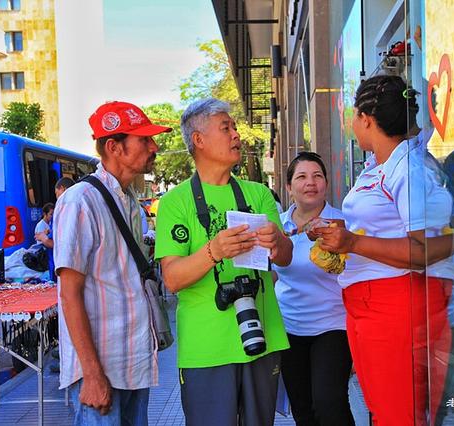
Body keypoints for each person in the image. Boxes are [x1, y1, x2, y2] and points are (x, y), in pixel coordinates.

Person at [311, 75, 454, 426]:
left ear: (366, 118)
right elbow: (389, 228)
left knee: (399, 414)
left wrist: (353, 242)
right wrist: (345, 235)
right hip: (368, 304)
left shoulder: (408, 168)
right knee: (382, 409)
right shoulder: (380, 166)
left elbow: (423, 249)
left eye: (353, 116)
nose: (351, 124)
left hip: (396, 302)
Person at [155, 98, 292, 426]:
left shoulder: (257, 194)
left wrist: (277, 240)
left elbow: (284, 258)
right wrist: (213, 251)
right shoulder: (175, 202)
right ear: (198, 140)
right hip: (205, 348)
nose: (236, 135)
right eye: (225, 127)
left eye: (235, 127)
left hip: (262, 337)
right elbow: (171, 279)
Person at [53, 101, 171, 424]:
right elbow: (69, 294)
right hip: (102, 369)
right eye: (144, 140)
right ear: (114, 147)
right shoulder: (80, 201)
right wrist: (91, 375)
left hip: (134, 364)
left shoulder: (131, 202)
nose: (154, 147)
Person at [273, 151, 354, 426]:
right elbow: (271, 276)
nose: (311, 182)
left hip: (333, 326)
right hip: (289, 328)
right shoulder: (277, 227)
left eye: (317, 176)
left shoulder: (343, 224)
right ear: (288, 187)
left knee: (329, 403)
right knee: (303, 410)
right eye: (302, 177)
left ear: (326, 184)